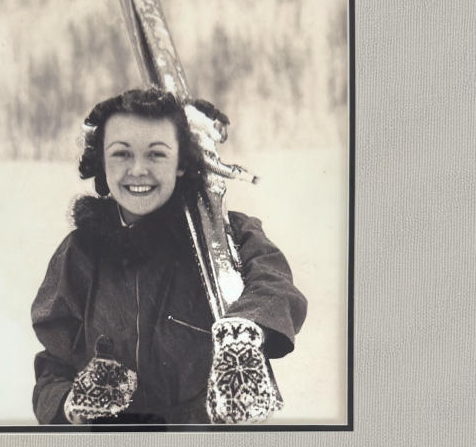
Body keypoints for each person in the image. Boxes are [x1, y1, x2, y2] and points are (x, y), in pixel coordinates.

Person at [31, 88, 307, 425]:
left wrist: (245, 333)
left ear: (181, 163)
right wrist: (70, 404)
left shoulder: (223, 234)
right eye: (121, 154)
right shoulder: (80, 253)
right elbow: (53, 365)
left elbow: (274, 285)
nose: (138, 169)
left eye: (156, 154)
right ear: (102, 162)